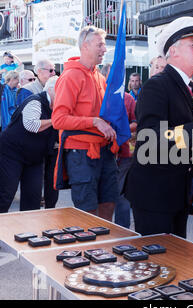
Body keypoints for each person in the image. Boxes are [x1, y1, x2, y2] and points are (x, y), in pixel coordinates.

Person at [125, 16, 193, 238]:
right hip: (154, 194)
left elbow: (183, 141)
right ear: (173, 51)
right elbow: (152, 141)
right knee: (157, 262)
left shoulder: (188, 87)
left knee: (175, 261)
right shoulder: (157, 86)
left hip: (175, 191)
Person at [52, 25, 119, 221]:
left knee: (109, 202)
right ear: (85, 46)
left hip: (104, 150)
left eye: (104, 45)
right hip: (81, 153)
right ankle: (90, 250)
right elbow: (58, 119)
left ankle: (104, 249)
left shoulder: (99, 76)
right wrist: (95, 122)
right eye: (100, 45)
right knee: (87, 213)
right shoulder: (71, 76)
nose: (104, 50)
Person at [0, 76, 58, 213]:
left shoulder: (56, 107)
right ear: (51, 90)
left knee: (33, 198)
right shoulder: (35, 101)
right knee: (5, 194)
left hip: (35, 157)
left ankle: (28, 233)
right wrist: (54, 120)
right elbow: (31, 125)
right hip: (12, 153)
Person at [16, 59, 58, 209]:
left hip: (52, 144)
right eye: (51, 70)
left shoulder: (55, 87)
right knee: (34, 185)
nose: (53, 72)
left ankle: (49, 210)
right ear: (39, 71)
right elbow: (27, 122)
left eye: (54, 70)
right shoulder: (28, 90)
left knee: (52, 182)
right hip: (34, 145)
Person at [100, 63, 137, 228]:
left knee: (122, 195)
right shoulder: (101, 96)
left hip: (124, 154)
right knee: (104, 194)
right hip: (102, 152)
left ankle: (122, 231)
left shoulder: (128, 98)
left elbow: (137, 121)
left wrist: (122, 131)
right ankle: (103, 228)